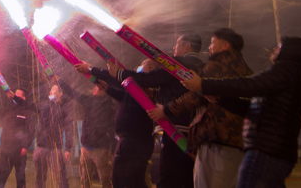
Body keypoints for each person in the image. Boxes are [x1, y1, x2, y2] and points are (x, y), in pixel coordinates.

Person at [182, 36, 301, 188]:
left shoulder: (286, 70)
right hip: (274, 153)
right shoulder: (291, 75)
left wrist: (203, 84)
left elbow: (250, 84)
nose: (275, 49)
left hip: (265, 153)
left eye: (279, 46)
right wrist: (221, 100)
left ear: (291, 51)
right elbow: (252, 109)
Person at [149, 28, 253, 188]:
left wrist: (166, 110)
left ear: (225, 45)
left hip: (215, 139)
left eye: (213, 43)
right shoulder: (246, 71)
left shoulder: (217, 66)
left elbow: (195, 96)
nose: (209, 47)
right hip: (237, 142)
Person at [109, 32, 205, 188]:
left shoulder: (179, 64)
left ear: (187, 46)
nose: (174, 47)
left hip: (175, 129)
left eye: (178, 43)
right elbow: (177, 90)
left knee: (169, 178)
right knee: (184, 178)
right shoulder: (201, 66)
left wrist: (119, 73)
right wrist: (155, 94)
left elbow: (150, 78)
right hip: (192, 130)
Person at [76, 59, 156, 188]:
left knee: (132, 180)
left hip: (136, 142)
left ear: (152, 70)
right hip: (127, 141)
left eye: (144, 65)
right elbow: (124, 96)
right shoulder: (136, 90)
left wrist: (91, 69)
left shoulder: (148, 86)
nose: (139, 67)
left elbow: (117, 79)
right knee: (119, 179)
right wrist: (108, 89)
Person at [59, 79, 116, 188]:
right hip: (86, 149)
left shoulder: (107, 106)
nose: (94, 89)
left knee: (104, 181)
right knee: (87, 180)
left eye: (97, 88)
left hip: (101, 150)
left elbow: (112, 129)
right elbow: (72, 92)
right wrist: (59, 81)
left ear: (103, 90)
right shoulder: (91, 101)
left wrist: (112, 150)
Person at [0, 87, 37, 188]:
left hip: (19, 152)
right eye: (15, 94)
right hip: (5, 150)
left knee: (20, 178)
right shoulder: (9, 109)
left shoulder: (28, 112)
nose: (14, 96)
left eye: (17, 94)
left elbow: (31, 130)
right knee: (0, 176)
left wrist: (25, 146)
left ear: (24, 98)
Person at [35, 82, 74, 188]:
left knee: (61, 178)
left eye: (53, 90)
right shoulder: (44, 107)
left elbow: (69, 130)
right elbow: (31, 107)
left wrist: (67, 149)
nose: (50, 91)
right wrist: (17, 99)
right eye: (50, 90)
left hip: (55, 149)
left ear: (60, 94)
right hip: (41, 147)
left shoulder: (63, 109)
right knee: (40, 178)